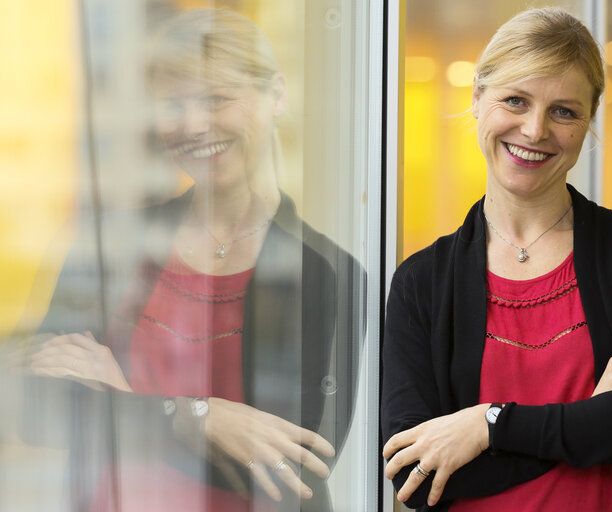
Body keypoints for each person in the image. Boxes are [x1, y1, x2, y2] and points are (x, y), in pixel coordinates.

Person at [16, 8, 364, 512]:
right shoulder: (109, 243)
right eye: (173, 103)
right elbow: (34, 409)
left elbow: (298, 466)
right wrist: (194, 416)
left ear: (277, 96)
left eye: (217, 99)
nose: (194, 124)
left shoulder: (327, 273)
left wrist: (122, 397)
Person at [380, 7, 612, 512]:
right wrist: (594, 412)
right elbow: (415, 475)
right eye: (515, 100)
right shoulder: (421, 282)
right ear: (478, 98)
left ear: (588, 121)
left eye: (564, 111)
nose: (534, 130)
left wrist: (486, 427)